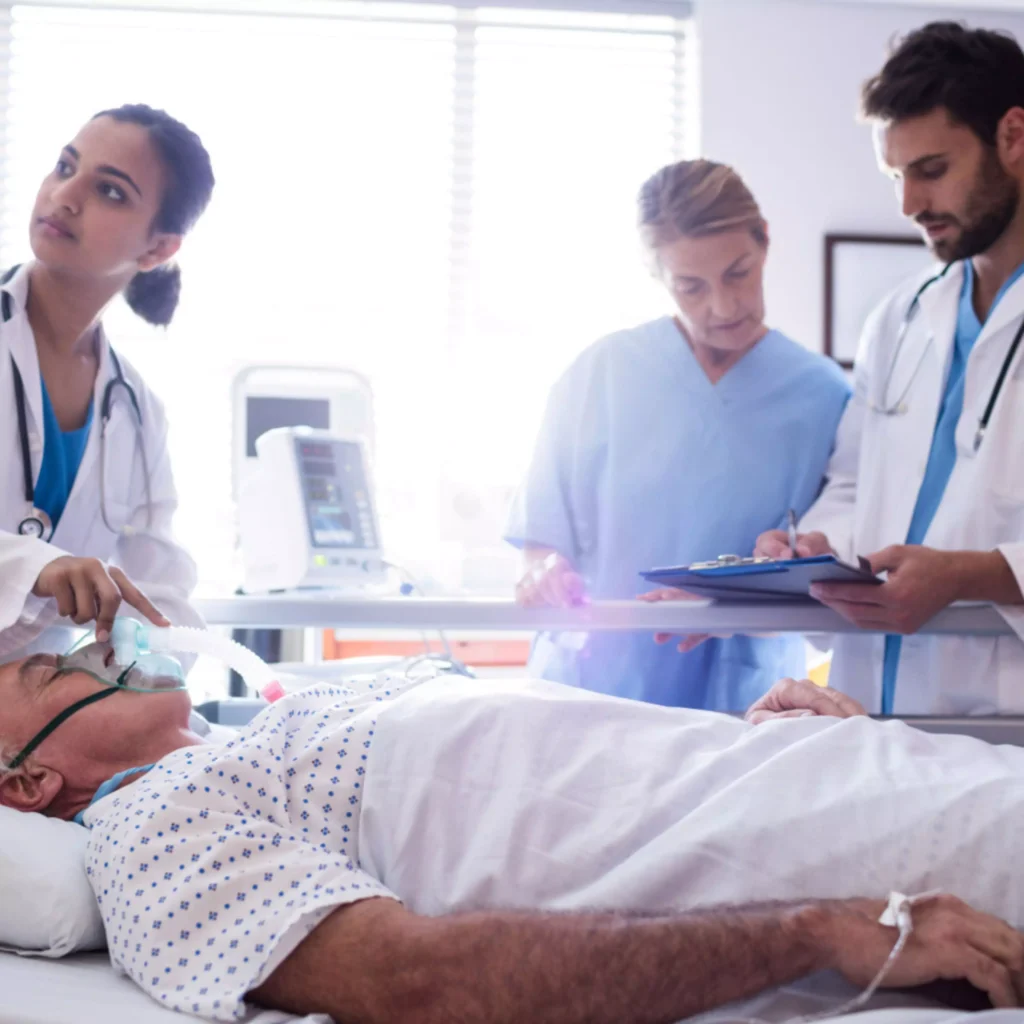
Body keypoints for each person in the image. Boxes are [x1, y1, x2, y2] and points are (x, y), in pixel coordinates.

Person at [3, 644, 1024, 1022]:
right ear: (31, 781)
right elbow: (420, 982)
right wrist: (821, 928)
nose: (94, 650)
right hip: (848, 854)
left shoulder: (257, 733)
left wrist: (747, 740)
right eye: (46, 672)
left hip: (808, 780)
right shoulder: (146, 831)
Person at [505, 159, 850, 711]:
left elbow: (824, 560)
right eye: (690, 287)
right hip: (588, 685)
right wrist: (543, 575)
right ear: (659, 277)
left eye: (738, 272)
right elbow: (540, 540)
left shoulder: (824, 395)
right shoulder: (599, 374)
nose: (723, 306)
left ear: (764, 244)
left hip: (744, 699)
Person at [752, 23, 1024, 716]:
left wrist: (972, 574)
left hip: (1005, 712)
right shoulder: (899, 318)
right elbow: (853, 484)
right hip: (871, 700)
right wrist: (816, 545)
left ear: (1014, 138)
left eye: (931, 170)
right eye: (897, 176)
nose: (908, 205)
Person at [0, 104, 215, 663]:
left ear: (157, 249)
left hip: (27, 727)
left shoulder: (138, 411)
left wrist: (159, 668)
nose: (65, 196)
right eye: (65, 167)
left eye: (111, 191)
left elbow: (161, 590)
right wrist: (32, 566)